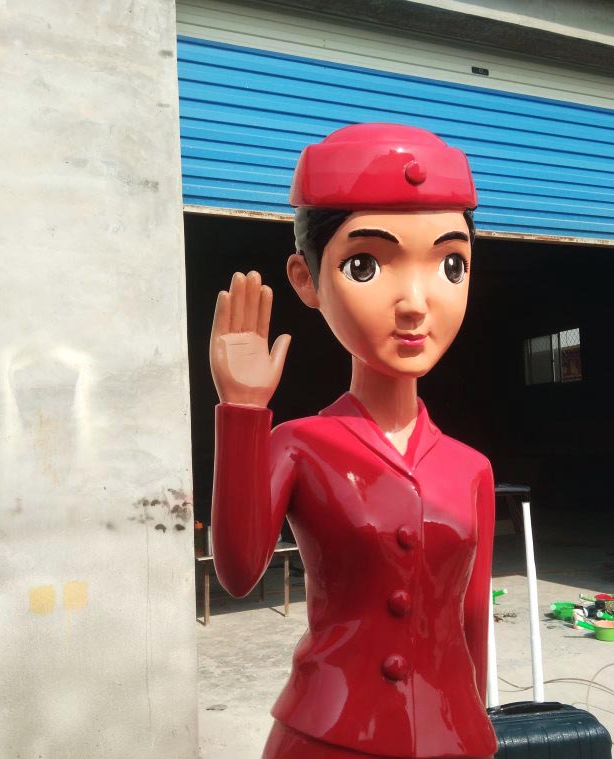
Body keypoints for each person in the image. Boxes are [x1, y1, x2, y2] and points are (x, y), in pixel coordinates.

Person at [209, 123, 498, 759]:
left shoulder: (470, 468)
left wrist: (477, 717)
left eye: (450, 264)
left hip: (452, 736)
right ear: (306, 279)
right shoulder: (298, 445)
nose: (415, 303)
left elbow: (471, 619)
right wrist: (242, 411)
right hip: (326, 735)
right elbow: (237, 571)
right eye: (364, 265)